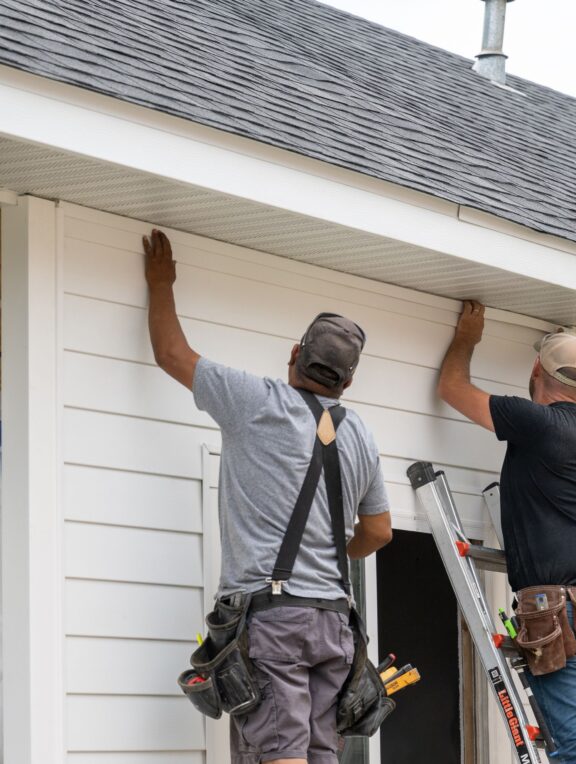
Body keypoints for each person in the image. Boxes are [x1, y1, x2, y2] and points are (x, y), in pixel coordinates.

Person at [143, 229, 393, 764]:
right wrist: (329, 557)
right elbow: (378, 532)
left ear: (295, 354)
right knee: (319, 755)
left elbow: (170, 352)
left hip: (275, 621)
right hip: (334, 625)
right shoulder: (361, 435)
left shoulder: (257, 403)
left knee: (280, 755)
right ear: (347, 382)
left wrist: (160, 282)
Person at [438, 300, 576, 764]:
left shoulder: (534, 422)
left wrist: (467, 337)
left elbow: (452, 388)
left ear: (535, 370)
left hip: (556, 607)